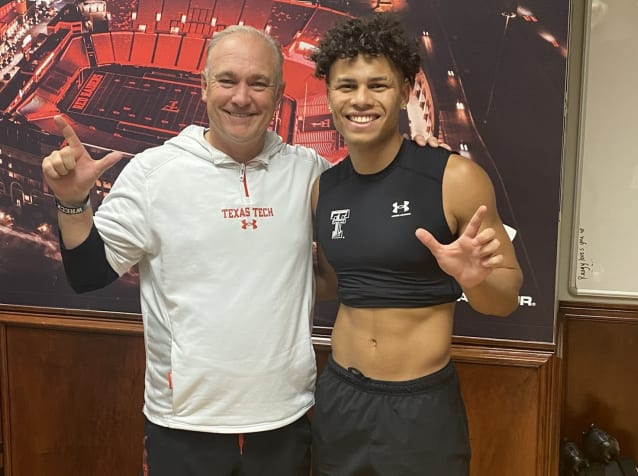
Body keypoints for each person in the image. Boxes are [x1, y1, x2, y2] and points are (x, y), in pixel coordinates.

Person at [42, 24, 441, 475]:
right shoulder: (155, 173)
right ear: (204, 85)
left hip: (286, 419)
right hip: (185, 423)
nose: (241, 97)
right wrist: (73, 202)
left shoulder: (310, 171)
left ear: (279, 92)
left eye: (258, 83)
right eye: (228, 80)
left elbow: (368, 216)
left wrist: (419, 156)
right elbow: (88, 274)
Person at [309, 13, 523, 476]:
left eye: (378, 85)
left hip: (420, 407)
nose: (361, 100)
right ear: (328, 93)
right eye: (346, 86)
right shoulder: (324, 189)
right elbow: (328, 284)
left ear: (405, 90)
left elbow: (504, 300)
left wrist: (473, 280)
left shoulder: (455, 178)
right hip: (340, 395)